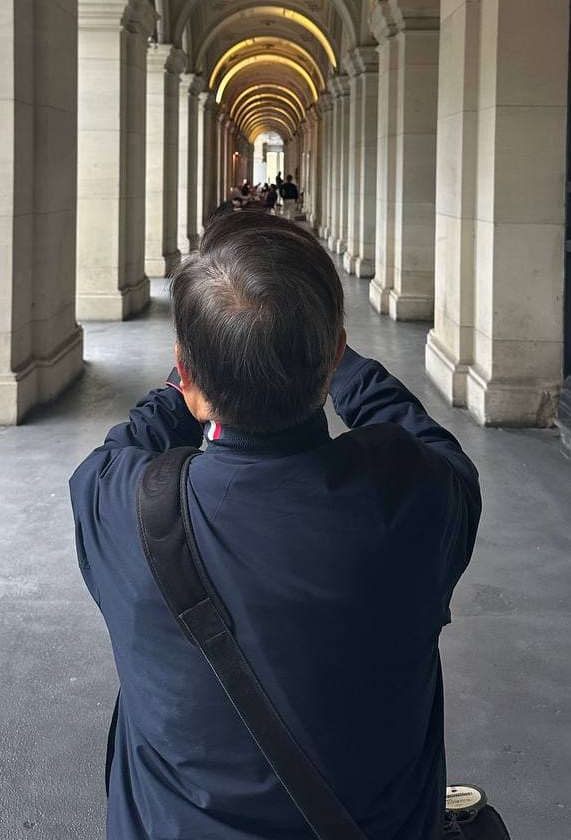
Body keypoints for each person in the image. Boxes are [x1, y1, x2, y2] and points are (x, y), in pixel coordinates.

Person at [70, 210, 481, 840]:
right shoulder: (411, 498)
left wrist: (187, 383)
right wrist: (345, 368)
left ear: (187, 371)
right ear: (332, 358)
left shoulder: (123, 506)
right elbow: (436, 449)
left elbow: (125, 444)